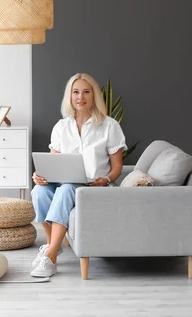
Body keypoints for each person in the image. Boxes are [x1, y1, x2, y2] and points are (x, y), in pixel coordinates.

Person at [30, 73, 127, 278]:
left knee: (66, 190)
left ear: (94, 96)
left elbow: (117, 166)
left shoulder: (109, 126)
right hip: (63, 181)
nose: (80, 97)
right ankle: (52, 246)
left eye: (86, 91)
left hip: (93, 187)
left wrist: (107, 179)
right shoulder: (61, 126)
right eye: (75, 92)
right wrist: (40, 175)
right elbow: (51, 162)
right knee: (39, 191)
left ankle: (51, 257)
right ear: (69, 96)